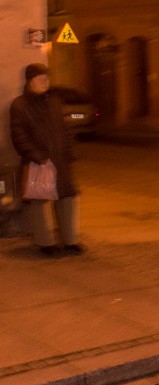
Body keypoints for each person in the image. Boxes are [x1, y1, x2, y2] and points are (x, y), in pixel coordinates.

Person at [9, 63, 82, 257]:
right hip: (38, 161)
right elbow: (19, 136)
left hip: (61, 160)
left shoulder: (55, 101)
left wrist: (70, 152)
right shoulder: (20, 105)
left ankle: (71, 241)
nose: (44, 82)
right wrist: (37, 157)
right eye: (39, 79)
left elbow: (66, 130)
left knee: (67, 198)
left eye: (46, 79)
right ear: (30, 82)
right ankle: (46, 243)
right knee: (40, 201)